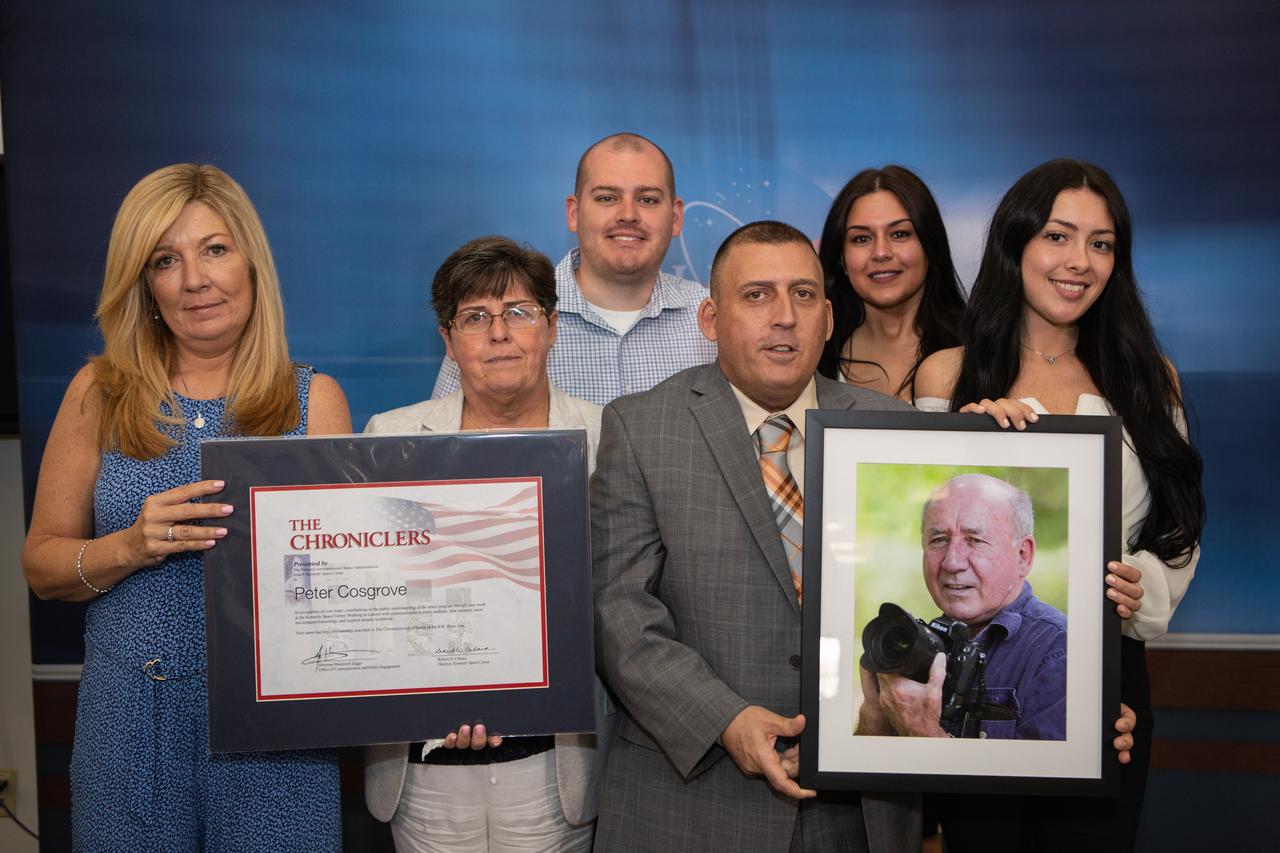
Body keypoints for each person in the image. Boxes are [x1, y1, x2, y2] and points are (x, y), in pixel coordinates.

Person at [21, 163, 351, 850]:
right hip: (127, 736)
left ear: (251, 263)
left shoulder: (314, 402)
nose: (195, 278)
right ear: (144, 287)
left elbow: (347, 593)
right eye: (165, 260)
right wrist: (131, 544)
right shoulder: (98, 392)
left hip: (277, 745)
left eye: (215, 249)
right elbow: (41, 564)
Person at [592, 220, 919, 852]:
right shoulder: (641, 428)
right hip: (695, 803)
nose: (784, 317)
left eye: (803, 295)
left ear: (828, 316)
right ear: (709, 318)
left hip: (864, 814)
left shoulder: (896, 431)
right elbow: (618, 612)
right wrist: (725, 720)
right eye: (757, 295)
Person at [914, 159, 1205, 851]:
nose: (1080, 261)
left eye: (1101, 244)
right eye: (1058, 236)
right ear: (1016, 244)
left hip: (1114, 678)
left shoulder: (1149, 379)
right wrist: (974, 439)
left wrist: (1143, 586)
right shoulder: (948, 374)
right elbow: (929, 503)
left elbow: (1176, 528)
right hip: (975, 676)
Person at [363, 236, 611, 852]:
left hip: (555, 768)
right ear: (448, 340)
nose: (499, 333)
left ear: (551, 327)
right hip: (424, 773)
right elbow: (373, 596)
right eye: (476, 317)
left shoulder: (608, 436)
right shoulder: (389, 437)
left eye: (519, 312)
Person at [432, 132, 716, 404]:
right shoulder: (497, 318)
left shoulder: (716, 320)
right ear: (574, 213)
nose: (628, 214)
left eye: (647, 200)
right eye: (607, 198)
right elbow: (445, 439)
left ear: (676, 217)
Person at [858, 474, 1067, 742]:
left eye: (975, 540)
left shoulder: (1059, 650)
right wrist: (874, 723)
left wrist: (923, 733)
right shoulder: (920, 645)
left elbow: (1047, 784)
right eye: (939, 540)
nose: (952, 562)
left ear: (1023, 555)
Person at [816, 165, 965, 400]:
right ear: (841, 257)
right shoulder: (813, 357)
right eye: (861, 238)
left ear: (930, 245)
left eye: (899, 234)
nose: (881, 253)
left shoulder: (981, 350)